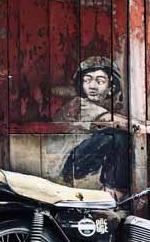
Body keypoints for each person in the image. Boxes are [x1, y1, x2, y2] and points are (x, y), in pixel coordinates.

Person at [54, 57, 131, 199]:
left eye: (100, 81)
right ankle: (113, 189)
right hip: (68, 163)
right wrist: (140, 126)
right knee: (115, 136)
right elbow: (110, 120)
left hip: (84, 161)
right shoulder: (79, 104)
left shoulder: (108, 106)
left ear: (111, 88)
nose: (92, 86)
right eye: (87, 80)